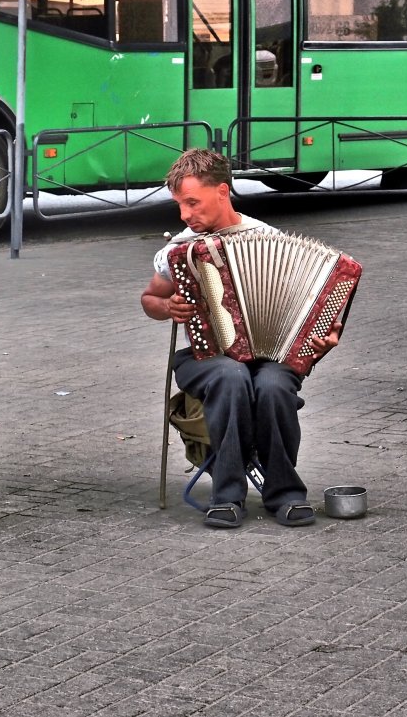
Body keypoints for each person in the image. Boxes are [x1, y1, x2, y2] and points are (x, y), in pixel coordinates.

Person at [141, 148, 343, 529]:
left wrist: (324, 335)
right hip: (205, 358)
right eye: (180, 205)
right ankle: (227, 495)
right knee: (231, 377)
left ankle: (284, 493)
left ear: (222, 191)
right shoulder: (178, 250)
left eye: (192, 203)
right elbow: (150, 298)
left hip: (269, 357)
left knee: (271, 385)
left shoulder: (268, 239)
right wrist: (168, 308)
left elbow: (308, 310)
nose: (185, 215)